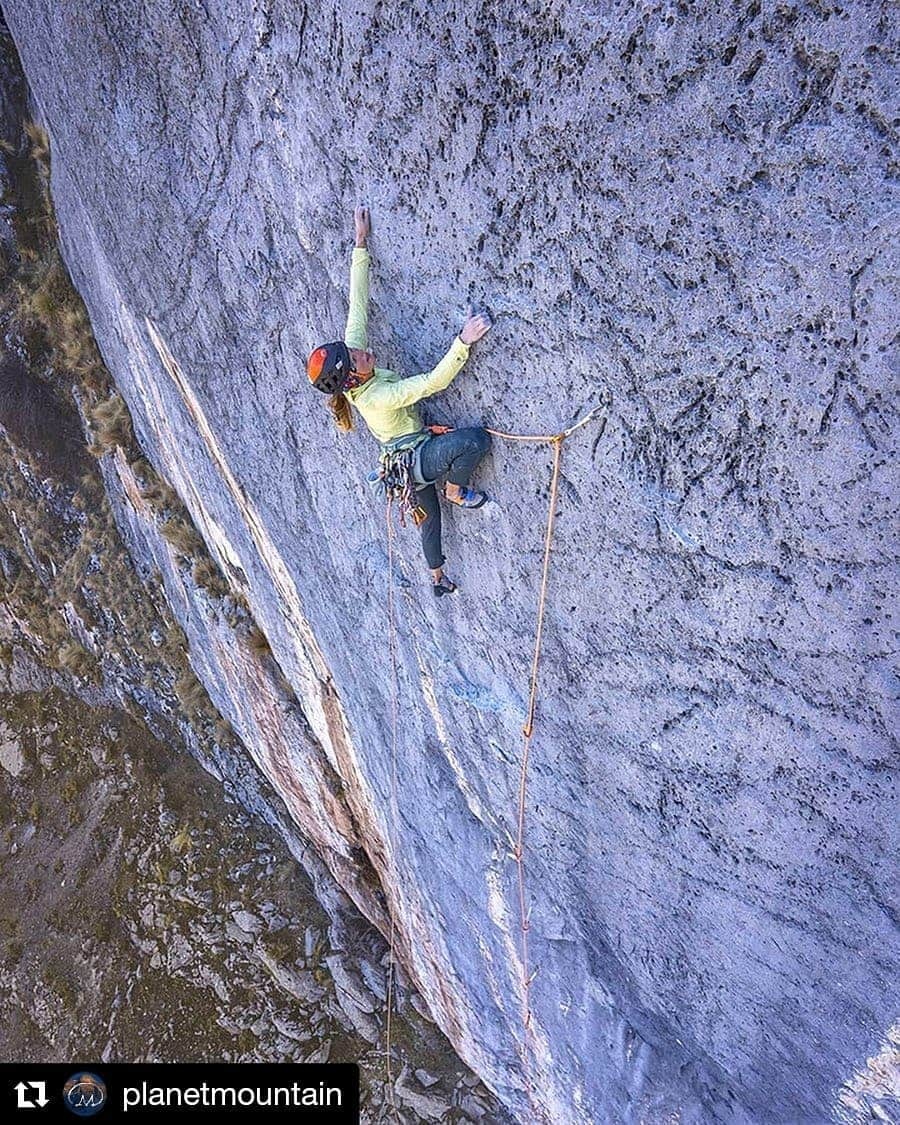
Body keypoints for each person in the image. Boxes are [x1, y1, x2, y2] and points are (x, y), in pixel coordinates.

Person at [307, 205, 493, 597]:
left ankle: (437, 579)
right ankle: (457, 490)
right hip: (415, 457)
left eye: (354, 351)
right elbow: (432, 383)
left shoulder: (354, 364)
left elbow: (357, 304)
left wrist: (360, 242)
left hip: (402, 458)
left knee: (428, 520)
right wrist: (464, 341)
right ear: (352, 377)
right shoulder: (377, 396)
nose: (363, 351)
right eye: (357, 357)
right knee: (475, 441)